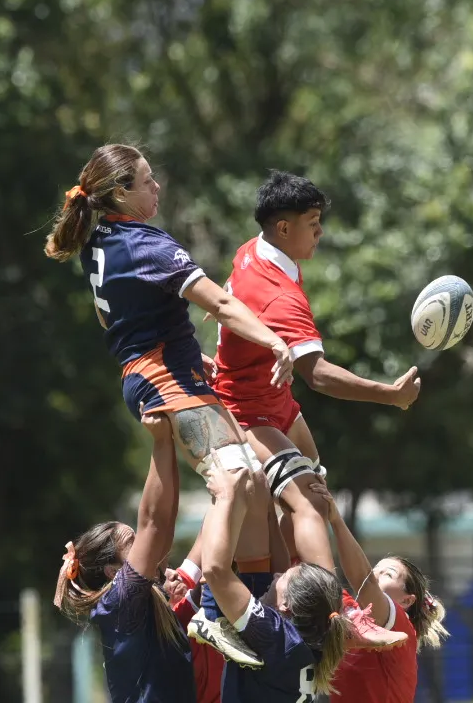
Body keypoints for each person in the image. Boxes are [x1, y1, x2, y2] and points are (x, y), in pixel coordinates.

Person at [207, 170, 419, 645]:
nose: (320, 232)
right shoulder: (281, 296)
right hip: (246, 412)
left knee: (313, 489)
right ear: (284, 227)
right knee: (307, 501)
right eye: (314, 222)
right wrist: (389, 394)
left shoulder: (255, 251)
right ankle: (334, 616)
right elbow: (319, 375)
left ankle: (295, 591)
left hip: (276, 402)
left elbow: (230, 298)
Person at [45, 144, 294, 480]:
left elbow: (110, 316)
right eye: (147, 181)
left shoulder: (97, 242)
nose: (156, 186)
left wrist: (188, 353)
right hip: (165, 379)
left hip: (152, 374)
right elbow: (220, 304)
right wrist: (275, 342)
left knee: (254, 481)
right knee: (235, 479)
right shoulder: (146, 245)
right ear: (121, 192)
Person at [53, 410, 197, 701]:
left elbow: (165, 521)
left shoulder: (139, 593)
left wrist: (169, 440)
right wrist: (160, 440)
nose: (143, 543)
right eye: (132, 541)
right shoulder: (118, 603)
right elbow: (153, 523)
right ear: (111, 571)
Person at [197, 463, 349, 701]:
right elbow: (278, 569)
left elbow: (216, 570)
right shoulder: (300, 635)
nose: (277, 575)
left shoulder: (280, 636)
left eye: (284, 578)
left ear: (287, 605)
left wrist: (224, 497)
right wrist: (268, 510)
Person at [310, 478, 449, 702]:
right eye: (376, 569)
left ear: (407, 600)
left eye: (388, 574)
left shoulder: (402, 629)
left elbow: (364, 581)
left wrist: (335, 519)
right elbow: (319, 569)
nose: (376, 574)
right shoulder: (349, 614)